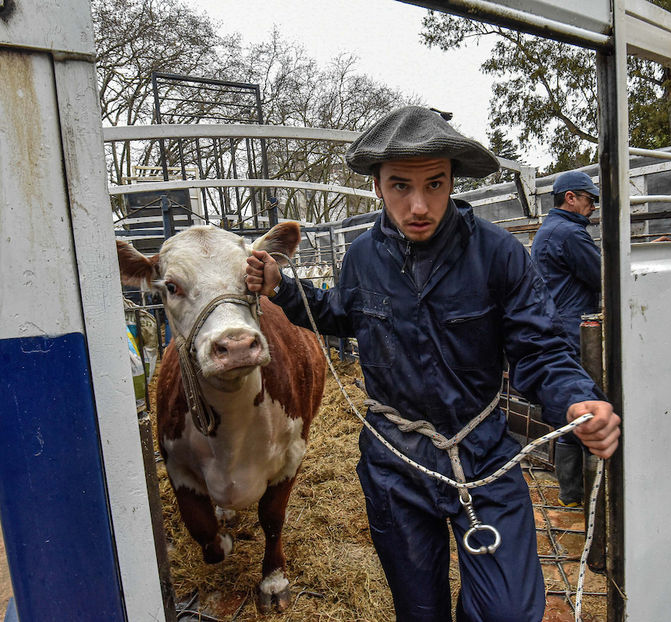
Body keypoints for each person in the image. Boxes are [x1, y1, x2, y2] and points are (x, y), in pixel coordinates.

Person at [245, 106, 619, 622]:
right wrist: (284, 288)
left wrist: (574, 396)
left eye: (435, 185)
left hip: (483, 452)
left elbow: (540, 347)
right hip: (395, 461)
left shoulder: (499, 254)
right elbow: (339, 313)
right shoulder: (360, 258)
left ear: (451, 180)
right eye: (400, 186)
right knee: (419, 613)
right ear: (378, 185)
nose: (418, 205)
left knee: (508, 613)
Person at [530, 171, 602, 508]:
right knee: (586, 409)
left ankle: (571, 495)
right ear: (570, 197)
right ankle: (584, 498)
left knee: (570, 414)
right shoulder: (571, 233)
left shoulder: (547, 231)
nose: (592, 208)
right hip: (576, 330)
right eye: (589, 200)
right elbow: (602, 276)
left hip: (556, 324)